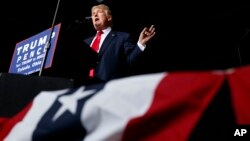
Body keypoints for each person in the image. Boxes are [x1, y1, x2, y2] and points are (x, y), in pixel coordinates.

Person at [84, 4, 156, 83]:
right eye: (93, 13)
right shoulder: (86, 42)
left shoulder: (122, 37)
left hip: (109, 87)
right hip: (85, 88)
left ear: (109, 17)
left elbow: (130, 61)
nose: (95, 15)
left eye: (99, 12)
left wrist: (140, 44)